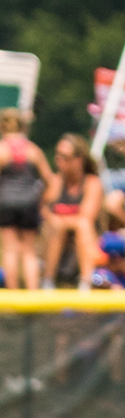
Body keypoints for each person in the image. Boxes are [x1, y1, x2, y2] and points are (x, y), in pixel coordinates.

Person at [0, 107, 55, 290]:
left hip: (5, 203)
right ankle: (32, 293)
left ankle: (13, 293)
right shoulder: (33, 150)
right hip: (29, 204)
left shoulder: (2, 150)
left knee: (10, 250)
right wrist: (43, 201)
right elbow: (50, 179)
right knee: (29, 251)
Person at [42, 133, 105, 288]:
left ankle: (85, 282)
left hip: (86, 241)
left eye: (64, 157)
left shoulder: (92, 183)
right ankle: (48, 281)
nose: (58, 160)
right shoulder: (55, 182)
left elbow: (87, 217)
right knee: (56, 225)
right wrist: (56, 220)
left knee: (82, 226)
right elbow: (43, 211)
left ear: (79, 160)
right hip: (54, 238)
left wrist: (59, 219)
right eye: (57, 155)